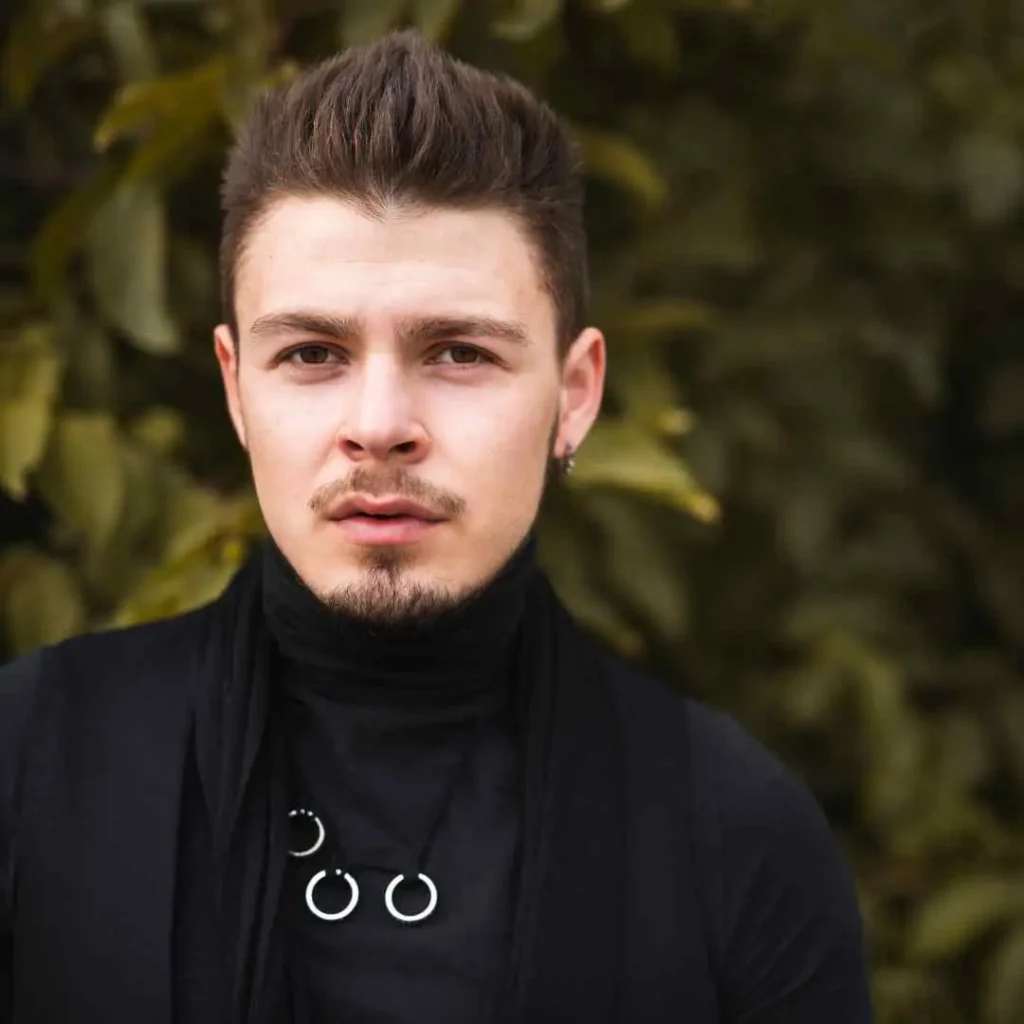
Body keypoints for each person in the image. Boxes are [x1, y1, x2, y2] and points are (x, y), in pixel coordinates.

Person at [0, 30, 873, 1024]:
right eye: (313, 353)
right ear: (236, 387)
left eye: (458, 352)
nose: (378, 426)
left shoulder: (735, 836)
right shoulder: (29, 760)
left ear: (575, 394)